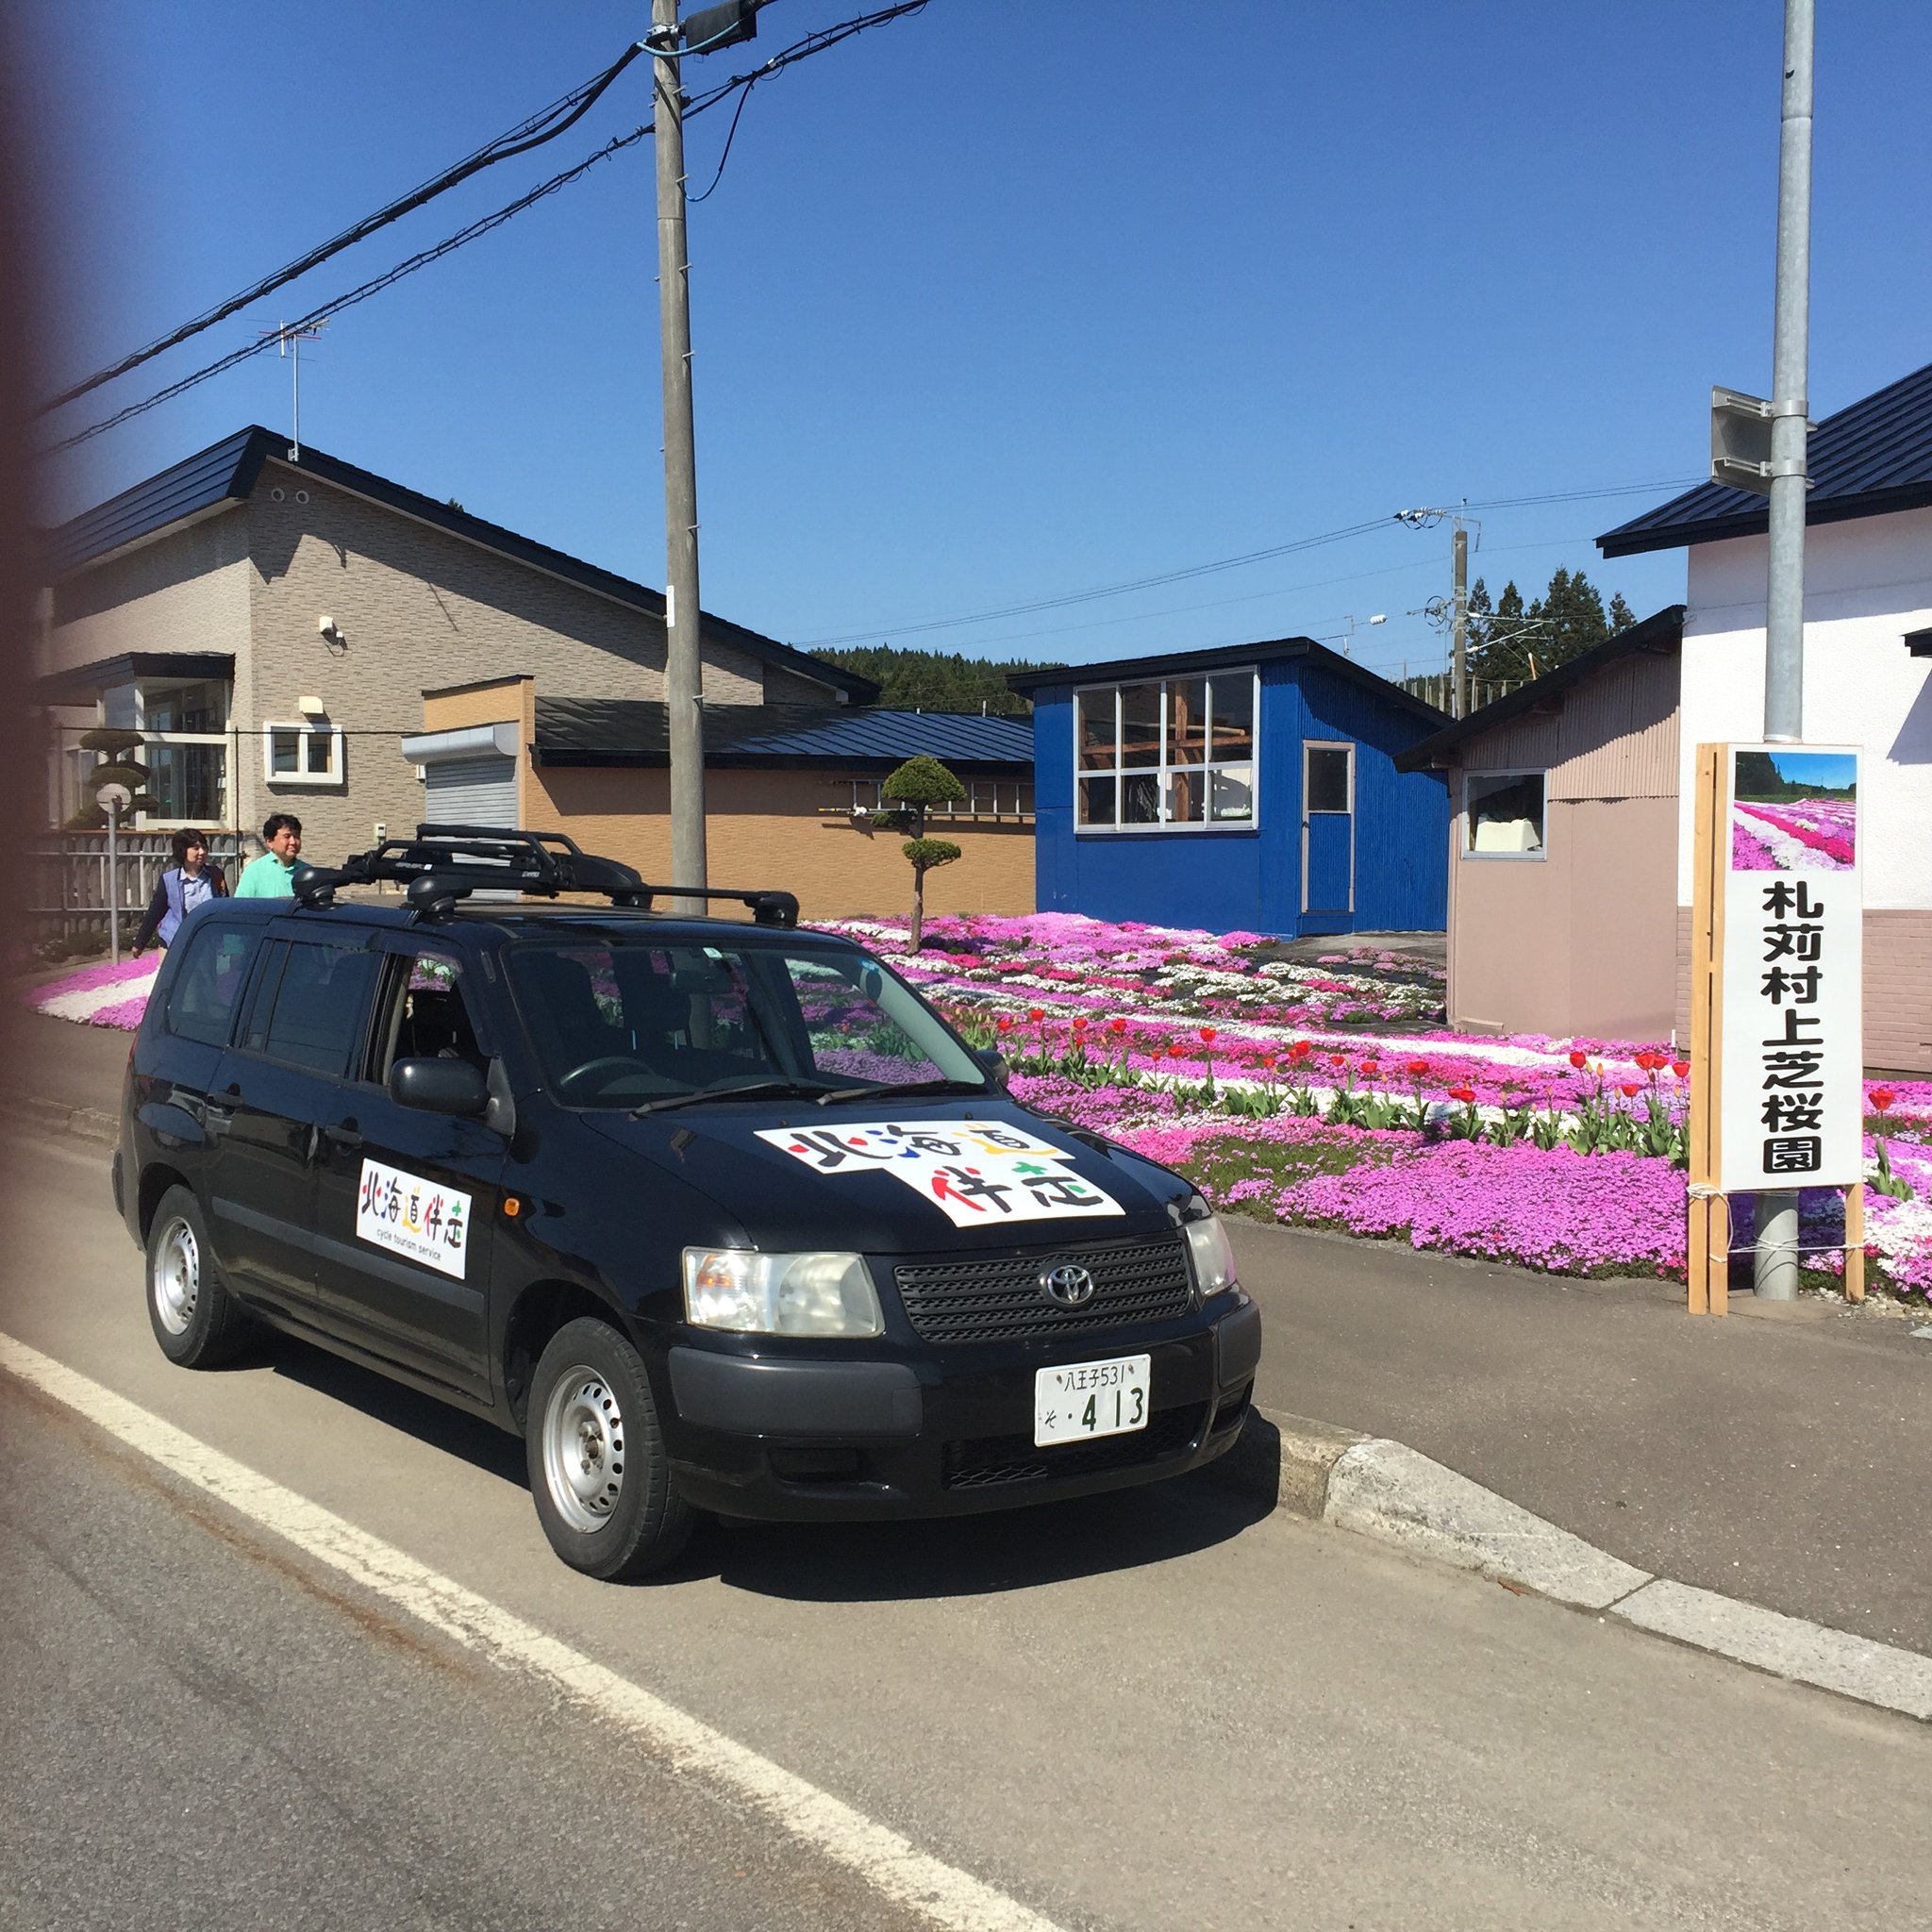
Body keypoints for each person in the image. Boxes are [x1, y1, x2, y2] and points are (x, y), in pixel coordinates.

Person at [131, 828, 229, 954]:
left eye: (204, 847)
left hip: (207, 944)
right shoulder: (169, 880)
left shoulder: (215, 875)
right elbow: (155, 912)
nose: (202, 852)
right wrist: (140, 943)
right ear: (183, 850)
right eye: (196, 848)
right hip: (175, 943)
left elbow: (224, 907)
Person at [233, 812, 305, 898]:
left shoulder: (308, 872)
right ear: (270, 841)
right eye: (287, 836)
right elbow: (241, 907)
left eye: (296, 836)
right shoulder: (254, 872)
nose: (293, 842)